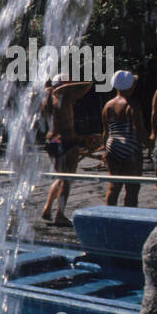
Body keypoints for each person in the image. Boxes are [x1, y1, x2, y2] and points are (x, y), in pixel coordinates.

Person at [39, 74, 100, 226]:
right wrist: (64, 86)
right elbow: (88, 84)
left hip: (52, 140)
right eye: (69, 84)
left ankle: (47, 209)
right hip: (66, 140)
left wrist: (56, 87)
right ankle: (60, 214)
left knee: (60, 177)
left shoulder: (47, 100)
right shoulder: (64, 98)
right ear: (64, 85)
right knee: (67, 179)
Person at [101, 70, 151, 207]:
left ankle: (109, 216)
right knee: (132, 188)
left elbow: (105, 132)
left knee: (114, 186)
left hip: (112, 145)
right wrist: (151, 145)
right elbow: (139, 128)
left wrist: (105, 151)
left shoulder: (108, 105)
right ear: (131, 86)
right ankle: (129, 218)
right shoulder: (132, 105)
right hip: (130, 146)